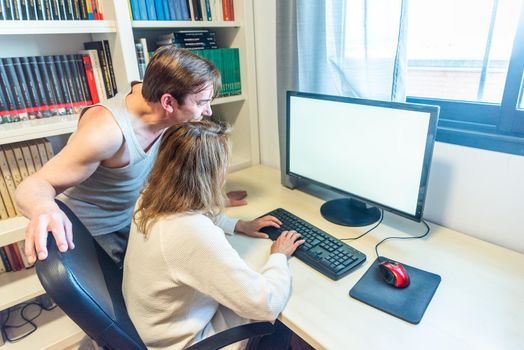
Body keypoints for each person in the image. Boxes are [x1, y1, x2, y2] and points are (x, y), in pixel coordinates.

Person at [14, 47, 251, 268]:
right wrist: (43, 207)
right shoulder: (105, 133)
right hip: (96, 232)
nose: (207, 112)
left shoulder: (154, 96)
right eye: (201, 103)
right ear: (168, 102)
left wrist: (211, 200)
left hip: (133, 214)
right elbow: (33, 185)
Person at [123, 120, 304, 349]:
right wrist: (279, 256)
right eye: (224, 165)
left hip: (154, 325)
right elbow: (266, 304)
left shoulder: (149, 198)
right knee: (284, 316)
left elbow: (191, 210)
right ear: (207, 175)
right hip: (187, 341)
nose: (226, 172)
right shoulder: (191, 232)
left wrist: (238, 225)